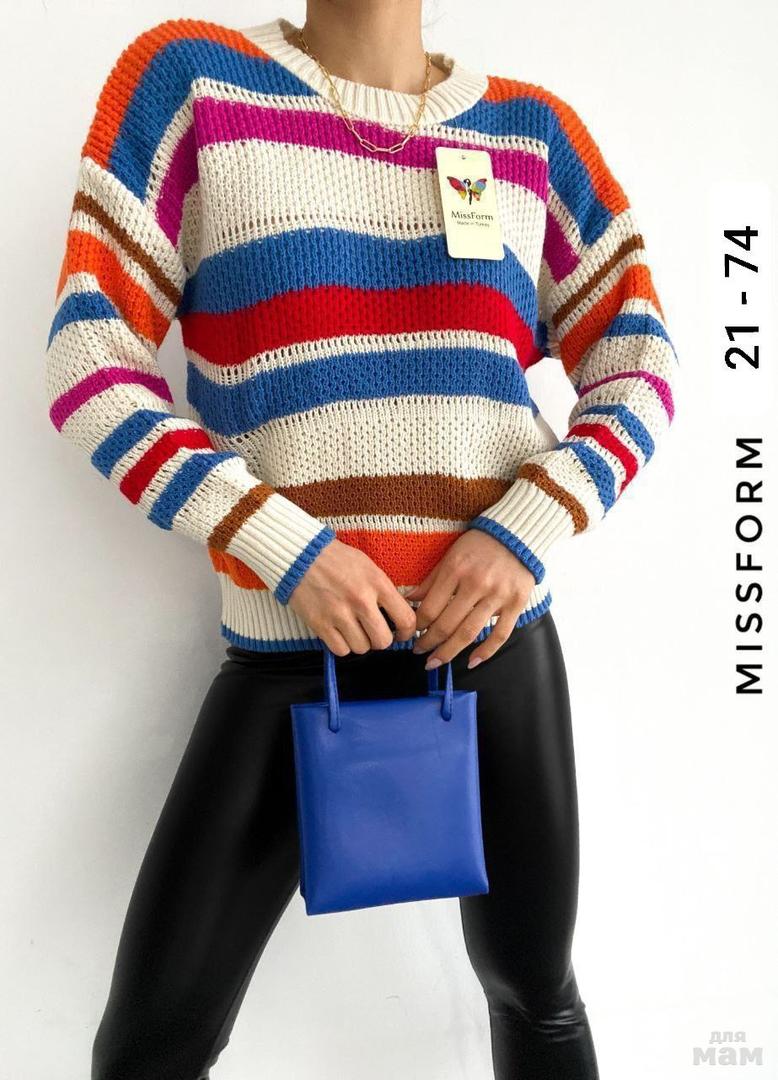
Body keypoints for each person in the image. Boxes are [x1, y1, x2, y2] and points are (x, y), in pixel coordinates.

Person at [44, 4, 678, 1078]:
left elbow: (641, 359)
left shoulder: (531, 134)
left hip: (491, 652)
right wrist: (281, 544)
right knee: (150, 1044)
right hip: (296, 656)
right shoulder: (192, 85)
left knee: (534, 991)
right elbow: (88, 358)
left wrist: (524, 528)